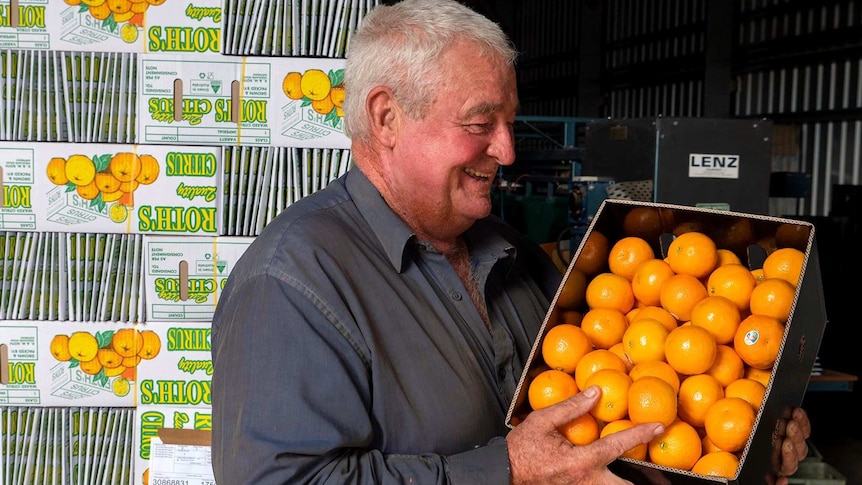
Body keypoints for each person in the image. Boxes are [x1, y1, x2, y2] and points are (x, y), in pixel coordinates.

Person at [210, 0, 811, 483]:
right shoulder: (293, 282)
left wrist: (744, 444)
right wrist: (508, 470)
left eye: (508, 122)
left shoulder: (510, 251)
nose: (507, 151)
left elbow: (617, 411)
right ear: (386, 118)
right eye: (479, 124)